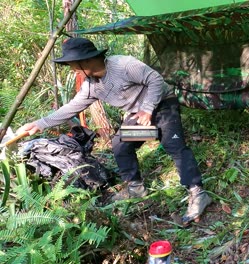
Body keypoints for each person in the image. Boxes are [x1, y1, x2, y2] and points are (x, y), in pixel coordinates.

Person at [18, 37, 212, 225]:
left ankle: (198, 193)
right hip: (138, 117)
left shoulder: (123, 65)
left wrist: (147, 109)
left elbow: (155, 79)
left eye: (73, 64)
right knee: (121, 144)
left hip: (163, 106)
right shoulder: (91, 86)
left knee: (174, 145)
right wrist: (40, 123)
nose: (72, 69)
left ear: (86, 60)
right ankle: (136, 187)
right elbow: (71, 107)